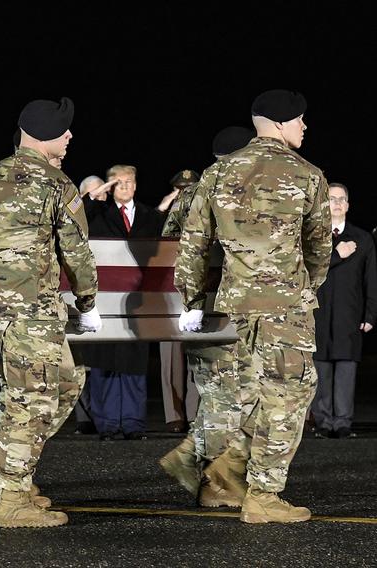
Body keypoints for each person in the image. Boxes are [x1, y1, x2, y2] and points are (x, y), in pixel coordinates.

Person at [176, 89, 331, 523]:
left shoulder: (219, 172)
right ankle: (263, 494)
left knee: (237, 392)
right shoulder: (306, 174)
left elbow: (194, 243)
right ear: (281, 123)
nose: (304, 127)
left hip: (234, 304)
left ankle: (220, 479)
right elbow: (320, 248)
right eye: (301, 120)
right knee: (286, 394)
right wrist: (304, 287)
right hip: (285, 307)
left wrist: (190, 299)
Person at [0, 96, 100, 528]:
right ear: (45, 134)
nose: (70, 136)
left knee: (68, 382)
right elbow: (76, 251)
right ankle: (13, 498)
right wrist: (88, 301)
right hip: (32, 311)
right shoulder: (56, 184)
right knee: (32, 400)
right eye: (64, 129)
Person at [159, 126, 258, 506]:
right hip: (220, 302)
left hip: (210, 303)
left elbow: (167, 244)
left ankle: (198, 466)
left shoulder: (193, 195)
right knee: (225, 394)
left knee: (228, 393)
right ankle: (213, 482)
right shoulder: (227, 191)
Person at [82, 164, 176, 440]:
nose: (125, 187)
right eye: (118, 182)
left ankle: (134, 424)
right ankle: (108, 425)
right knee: (106, 362)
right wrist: (95, 195)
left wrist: (165, 208)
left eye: (129, 182)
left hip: (138, 299)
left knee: (135, 362)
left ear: (136, 185)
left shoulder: (150, 216)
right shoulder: (98, 213)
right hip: (106, 298)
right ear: (109, 187)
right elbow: (76, 217)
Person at [311, 183, 377, 438]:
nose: (336, 203)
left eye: (341, 199)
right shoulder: (313, 238)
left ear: (347, 205)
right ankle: (324, 422)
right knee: (322, 369)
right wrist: (336, 255)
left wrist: (370, 314)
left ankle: (343, 423)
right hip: (319, 313)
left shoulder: (362, 239)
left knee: (346, 369)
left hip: (349, 314)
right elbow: (307, 270)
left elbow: (371, 280)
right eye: (331, 199)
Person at [159, 169, 201, 434]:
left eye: (190, 189)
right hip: (169, 288)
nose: (185, 194)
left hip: (199, 288)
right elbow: (157, 241)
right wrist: (163, 208)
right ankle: (174, 414)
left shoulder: (209, 210)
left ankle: (196, 412)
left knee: (200, 351)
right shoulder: (167, 213)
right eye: (181, 189)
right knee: (171, 355)